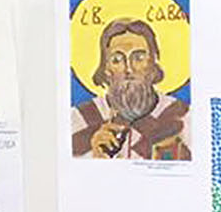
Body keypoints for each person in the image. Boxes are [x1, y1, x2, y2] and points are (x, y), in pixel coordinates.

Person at [69, 18, 191, 161]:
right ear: (106, 68)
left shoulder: (184, 117)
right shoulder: (78, 119)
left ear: (153, 62)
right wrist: (97, 159)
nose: (128, 69)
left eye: (139, 57)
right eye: (117, 60)